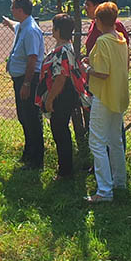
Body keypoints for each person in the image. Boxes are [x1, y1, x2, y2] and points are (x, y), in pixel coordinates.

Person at [83, 2, 129, 202]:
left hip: (103, 96)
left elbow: (102, 72)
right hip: (118, 95)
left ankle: (104, 190)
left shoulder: (102, 41)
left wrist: (86, 68)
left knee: (97, 143)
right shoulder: (120, 39)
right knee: (115, 140)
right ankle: (120, 181)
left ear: (99, 21)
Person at [35, 13, 91, 179]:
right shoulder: (67, 47)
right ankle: (65, 168)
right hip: (64, 94)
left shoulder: (62, 51)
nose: (52, 30)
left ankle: (65, 171)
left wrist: (50, 99)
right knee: (60, 130)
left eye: (54, 27)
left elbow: (60, 77)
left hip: (61, 95)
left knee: (59, 131)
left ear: (58, 30)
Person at [2, 0, 45, 170]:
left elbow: (33, 58)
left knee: (32, 119)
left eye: (13, 7)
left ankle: (36, 160)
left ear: (20, 10)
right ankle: (28, 154)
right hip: (20, 79)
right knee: (24, 117)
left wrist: (27, 84)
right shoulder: (22, 26)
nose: (11, 10)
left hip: (29, 80)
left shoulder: (31, 31)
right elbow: (15, 25)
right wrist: (8, 22)